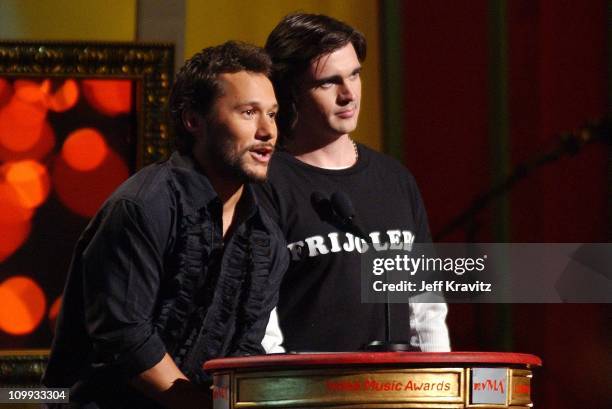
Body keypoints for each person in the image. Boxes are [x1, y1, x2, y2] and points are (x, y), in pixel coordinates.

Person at [42, 41, 288, 409]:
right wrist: (201, 405)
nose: (268, 131)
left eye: (273, 114)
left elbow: (245, 354)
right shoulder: (143, 206)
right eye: (249, 112)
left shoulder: (266, 238)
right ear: (193, 120)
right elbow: (124, 336)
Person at [258, 13, 450, 352]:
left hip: (398, 393)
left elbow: (426, 308)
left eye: (355, 75)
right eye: (328, 82)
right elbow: (263, 324)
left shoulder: (395, 178)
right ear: (291, 93)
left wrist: (441, 384)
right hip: (312, 394)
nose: (349, 94)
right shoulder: (267, 183)